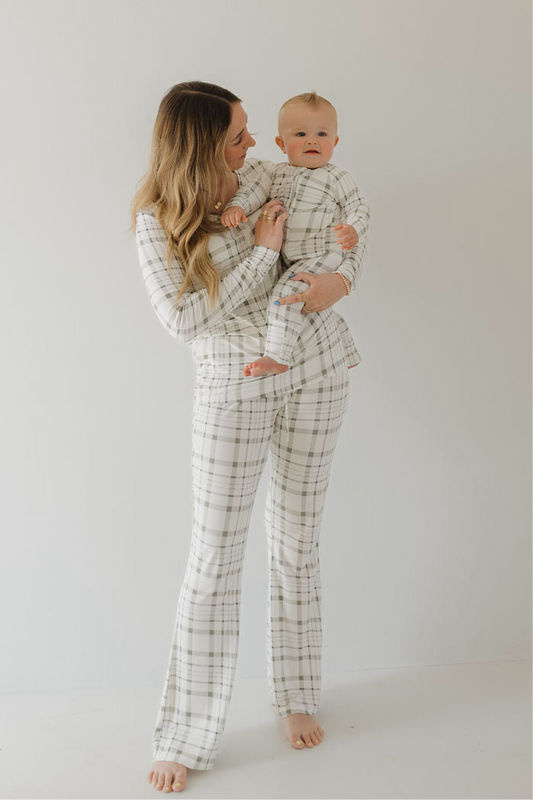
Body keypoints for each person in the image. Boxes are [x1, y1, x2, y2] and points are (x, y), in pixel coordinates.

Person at [131, 80, 369, 794]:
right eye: (237, 136)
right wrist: (263, 255)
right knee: (213, 558)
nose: (253, 144)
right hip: (232, 387)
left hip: (317, 368)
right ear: (202, 146)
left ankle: (295, 694)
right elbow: (185, 321)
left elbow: (336, 221)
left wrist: (344, 278)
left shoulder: (265, 175)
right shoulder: (154, 222)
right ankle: (183, 734)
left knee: (297, 540)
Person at [221, 91, 370, 378]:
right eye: (301, 133)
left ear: (335, 142)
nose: (312, 140)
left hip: (324, 253)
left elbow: (359, 207)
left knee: (285, 295)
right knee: (306, 303)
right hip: (291, 259)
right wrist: (237, 206)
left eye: (322, 134)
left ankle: (277, 357)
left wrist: (353, 229)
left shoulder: (336, 177)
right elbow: (253, 191)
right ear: (281, 143)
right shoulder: (276, 173)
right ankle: (347, 349)